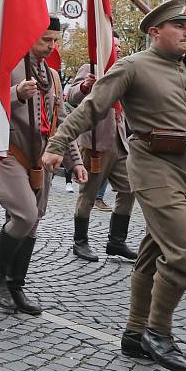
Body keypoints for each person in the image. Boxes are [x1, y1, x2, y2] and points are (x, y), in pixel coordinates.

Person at [42, 0, 186, 371]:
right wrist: (59, 144)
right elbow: (91, 107)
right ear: (155, 32)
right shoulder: (133, 67)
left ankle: (134, 331)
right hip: (153, 168)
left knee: (153, 255)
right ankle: (159, 332)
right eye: (178, 26)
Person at [0, 17, 86, 315]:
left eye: (55, 40)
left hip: (42, 159)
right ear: (30, 37)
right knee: (24, 215)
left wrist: (75, 162)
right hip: (11, 153)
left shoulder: (52, 76)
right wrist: (15, 94)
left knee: (34, 221)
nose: (51, 46)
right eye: (45, 40)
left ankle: (16, 285)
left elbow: (61, 123)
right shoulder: (8, 65)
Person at [65, 34, 137, 262]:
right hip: (95, 142)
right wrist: (86, 85)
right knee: (88, 194)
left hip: (120, 141)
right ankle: (81, 242)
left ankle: (116, 242)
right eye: (113, 45)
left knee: (130, 188)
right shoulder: (90, 66)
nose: (117, 48)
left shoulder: (123, 69)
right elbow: (73, 95)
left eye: (118, 45)